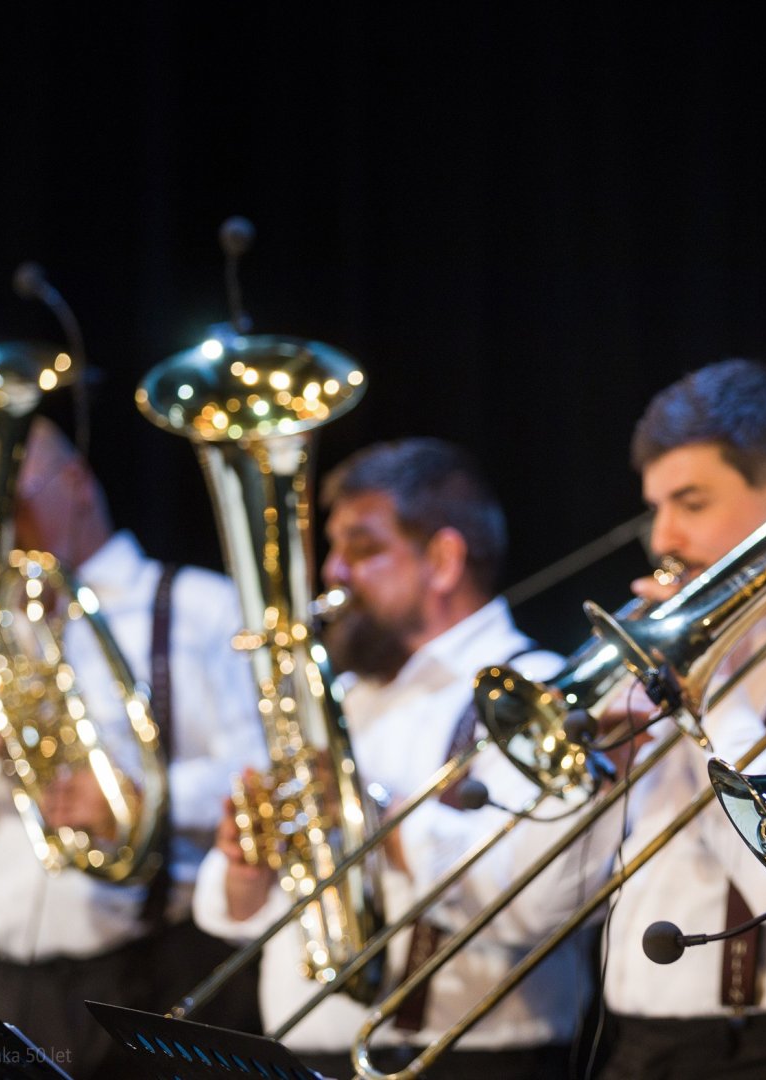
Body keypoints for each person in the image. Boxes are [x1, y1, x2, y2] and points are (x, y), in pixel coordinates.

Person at [192, 436, 605, 1080]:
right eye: (333, 549)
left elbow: (534, 900)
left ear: (442, 560)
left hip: (470, 1063)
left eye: (363, 549)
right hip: (302, 1056)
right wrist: (249, 866)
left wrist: (373, 817)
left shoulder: (538, 687)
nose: (333, 572)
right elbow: (240, 916)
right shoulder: (344, 698)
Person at [0, 415, 266, 1079]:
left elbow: (269, 778)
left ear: (75, 482)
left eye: (12, 495)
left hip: (171, 983)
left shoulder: (204, 608)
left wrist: (138, 800)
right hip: (16, 995)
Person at [594, 358, 766, 1080]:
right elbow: (547, 909)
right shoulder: (647, 648)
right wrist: (601, 779)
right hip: (640, 1043)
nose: (663, 537)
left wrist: (704, 690)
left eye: (690, 503)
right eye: (656, 508)